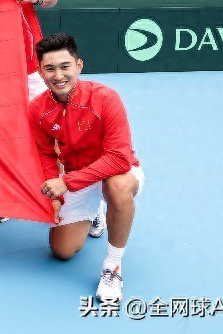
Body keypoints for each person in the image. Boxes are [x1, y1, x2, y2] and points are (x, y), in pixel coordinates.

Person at [30, 33, 144, 303]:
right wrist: (56, 197)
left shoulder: (106, 98)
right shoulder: (37, 109)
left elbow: (119, 159)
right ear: (40, 72)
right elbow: (46, 155)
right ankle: (95, 213)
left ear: (78, 66)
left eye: (65, 66)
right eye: (50, 68)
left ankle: (113, 266)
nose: (58, 75)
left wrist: (66, 184)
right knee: (62, 251)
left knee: (116, 187)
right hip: (75, 177)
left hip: (116, 172)